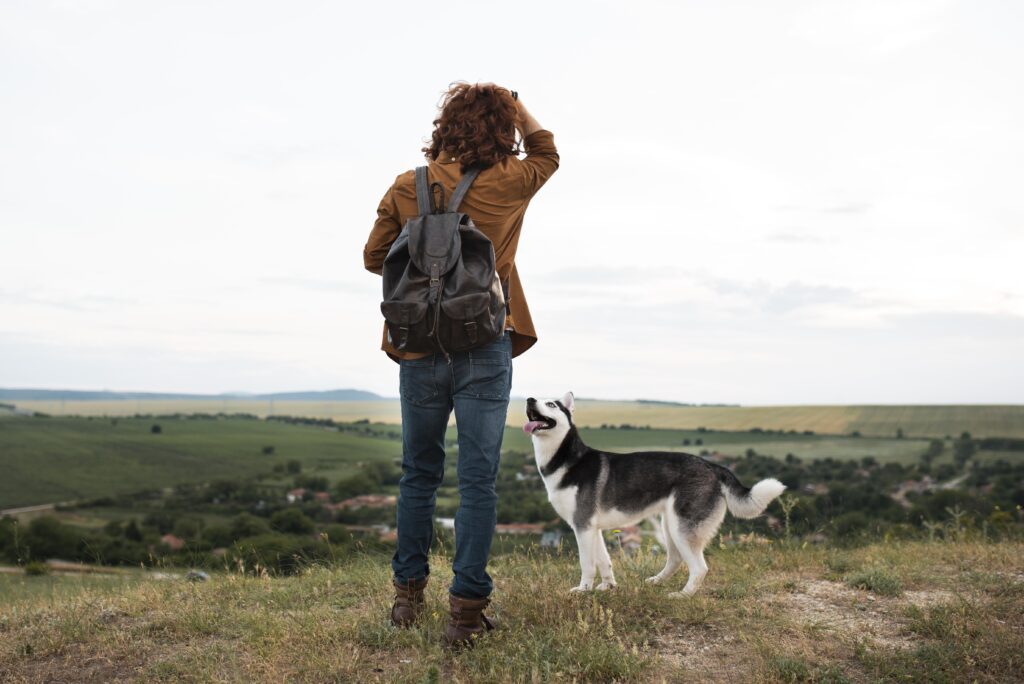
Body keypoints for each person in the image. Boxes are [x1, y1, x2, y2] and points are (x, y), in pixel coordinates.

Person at [363, 81, 559, 648]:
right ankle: (465, 614)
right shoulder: (511, 180)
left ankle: (406, 599)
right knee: (478, 480)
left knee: (417, 474)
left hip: (418, 345)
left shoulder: (407, 186)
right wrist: (514, 103)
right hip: (484, 342)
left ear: (444, 125)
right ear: (503, 127)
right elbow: (547, 151)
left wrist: (426, 260)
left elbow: (374, 257)